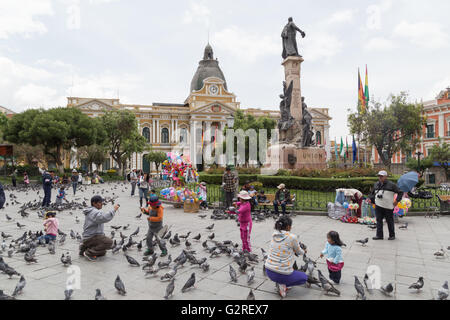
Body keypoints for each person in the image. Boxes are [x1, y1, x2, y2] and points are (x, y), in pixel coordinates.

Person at [265, 215, 309, 298]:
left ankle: (281, 282)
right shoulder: (292, 237)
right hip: (281, 273)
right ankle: (282, 284)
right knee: (304, 278)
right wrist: (304, 251)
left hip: (268, 270)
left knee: (288, 269)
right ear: (288, 226)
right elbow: (299, 252)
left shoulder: (274, 234)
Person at [79, 195, 119, 261]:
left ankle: (84, 248)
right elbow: (104, 217)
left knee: (103, 252)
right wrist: (114, 210)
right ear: (94, 203)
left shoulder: (92, 211)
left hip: (90, 237)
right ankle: (89, 253)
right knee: (108, 242)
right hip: (91, 237)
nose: (102, 204)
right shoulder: (93, 212)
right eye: (100, 202)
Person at [369, 170, 403, 241]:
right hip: (378, 205)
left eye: (381, 176)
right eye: (379, 176)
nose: (380, 177)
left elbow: (400, 192)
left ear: (386, 177)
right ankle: (379, 235)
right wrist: (371, 200)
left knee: (389, 220)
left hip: (388, 206)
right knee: (379, 220)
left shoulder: (392, 185)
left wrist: (396, 201)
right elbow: (372, 193)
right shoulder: (376, 184)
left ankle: (392, 235)